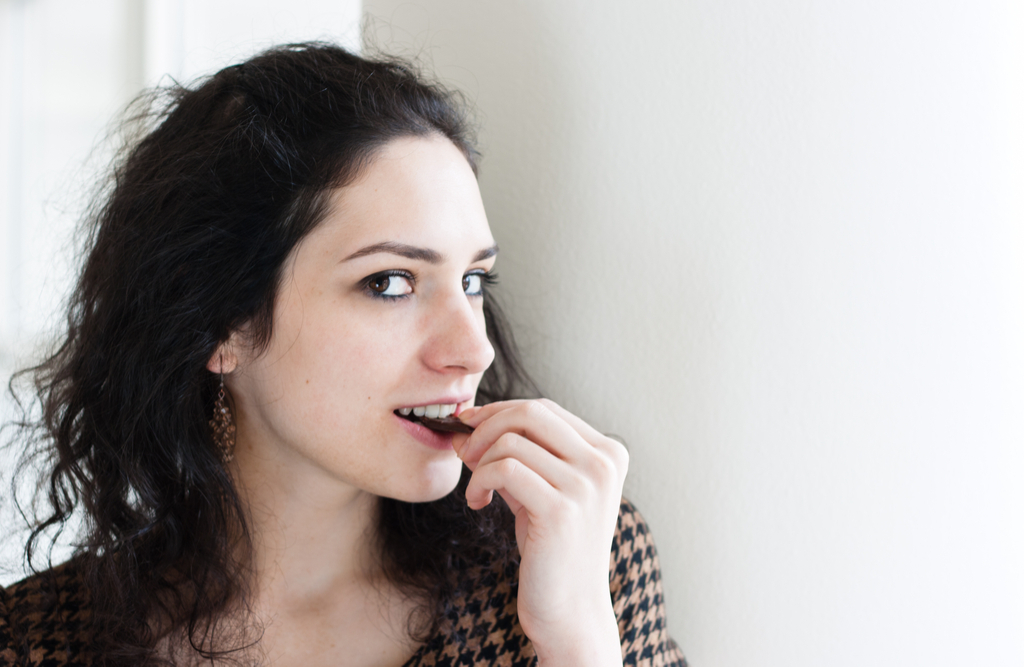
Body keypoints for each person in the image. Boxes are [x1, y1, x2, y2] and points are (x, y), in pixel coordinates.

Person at [0, 43, 685, 667]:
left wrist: (576, 642)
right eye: (390, 283)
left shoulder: (573, 562)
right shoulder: (33, 641)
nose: (472, 348)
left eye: (473, 280)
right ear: (221, 324)